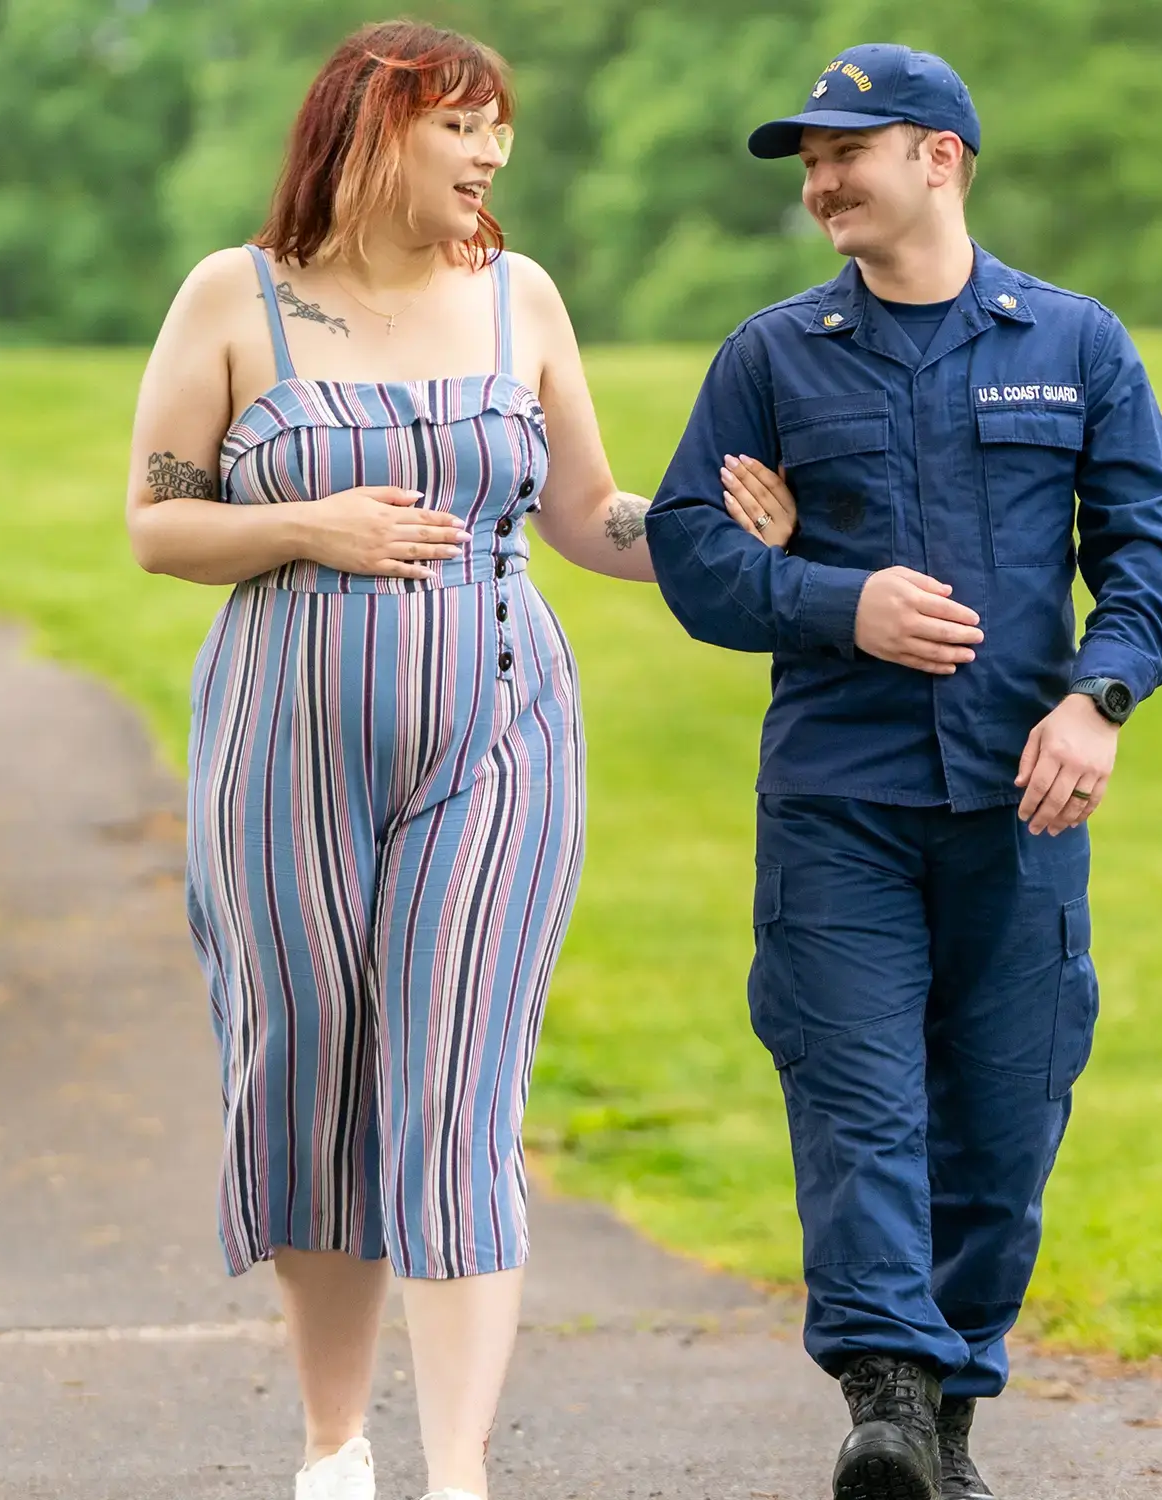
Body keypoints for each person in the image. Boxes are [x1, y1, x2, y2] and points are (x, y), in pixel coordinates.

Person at [123, 21, 794, 1500]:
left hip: (498, 735)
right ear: (370, 132)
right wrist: (310, 526)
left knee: (457, 1085)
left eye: (502, 133)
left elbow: (586, 515)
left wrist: (706, 531)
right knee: (302, 1069)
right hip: (280, 743)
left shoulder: (521, 299)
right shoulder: (237, 299)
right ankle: (331, 1447)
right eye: (463, 129)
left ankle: (461, 1473)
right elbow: (160, 524)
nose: (492, 157)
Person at [646, 43, 1162, 1500]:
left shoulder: (1073, 344)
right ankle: (886, 1393)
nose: (821, 180)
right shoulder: (771, 357)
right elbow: (695, 557)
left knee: (1007, 1111)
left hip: (1021, 805)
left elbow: (1150, 555)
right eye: (811, 161)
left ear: (940, 158)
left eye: (847, 151)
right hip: (841, 801)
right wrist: (840, 600)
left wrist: (1100, 702)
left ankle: (945, 1417)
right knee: (858, 1096)